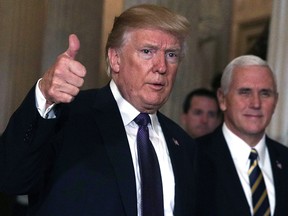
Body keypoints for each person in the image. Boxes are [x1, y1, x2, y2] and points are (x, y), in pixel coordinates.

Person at [0, 4, 196, 216]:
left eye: (171, 55)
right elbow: (11, 177)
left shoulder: (183, 145)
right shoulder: (68, 117)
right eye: (147, 51)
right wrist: (44, 96)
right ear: (115, 59)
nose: (161, 66)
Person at [194, 55, 288, 215]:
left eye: (265, 93)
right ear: (222, 99)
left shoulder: (285, 159)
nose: (256, 103)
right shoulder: (191, 157)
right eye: (245, 92)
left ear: (276, 101)